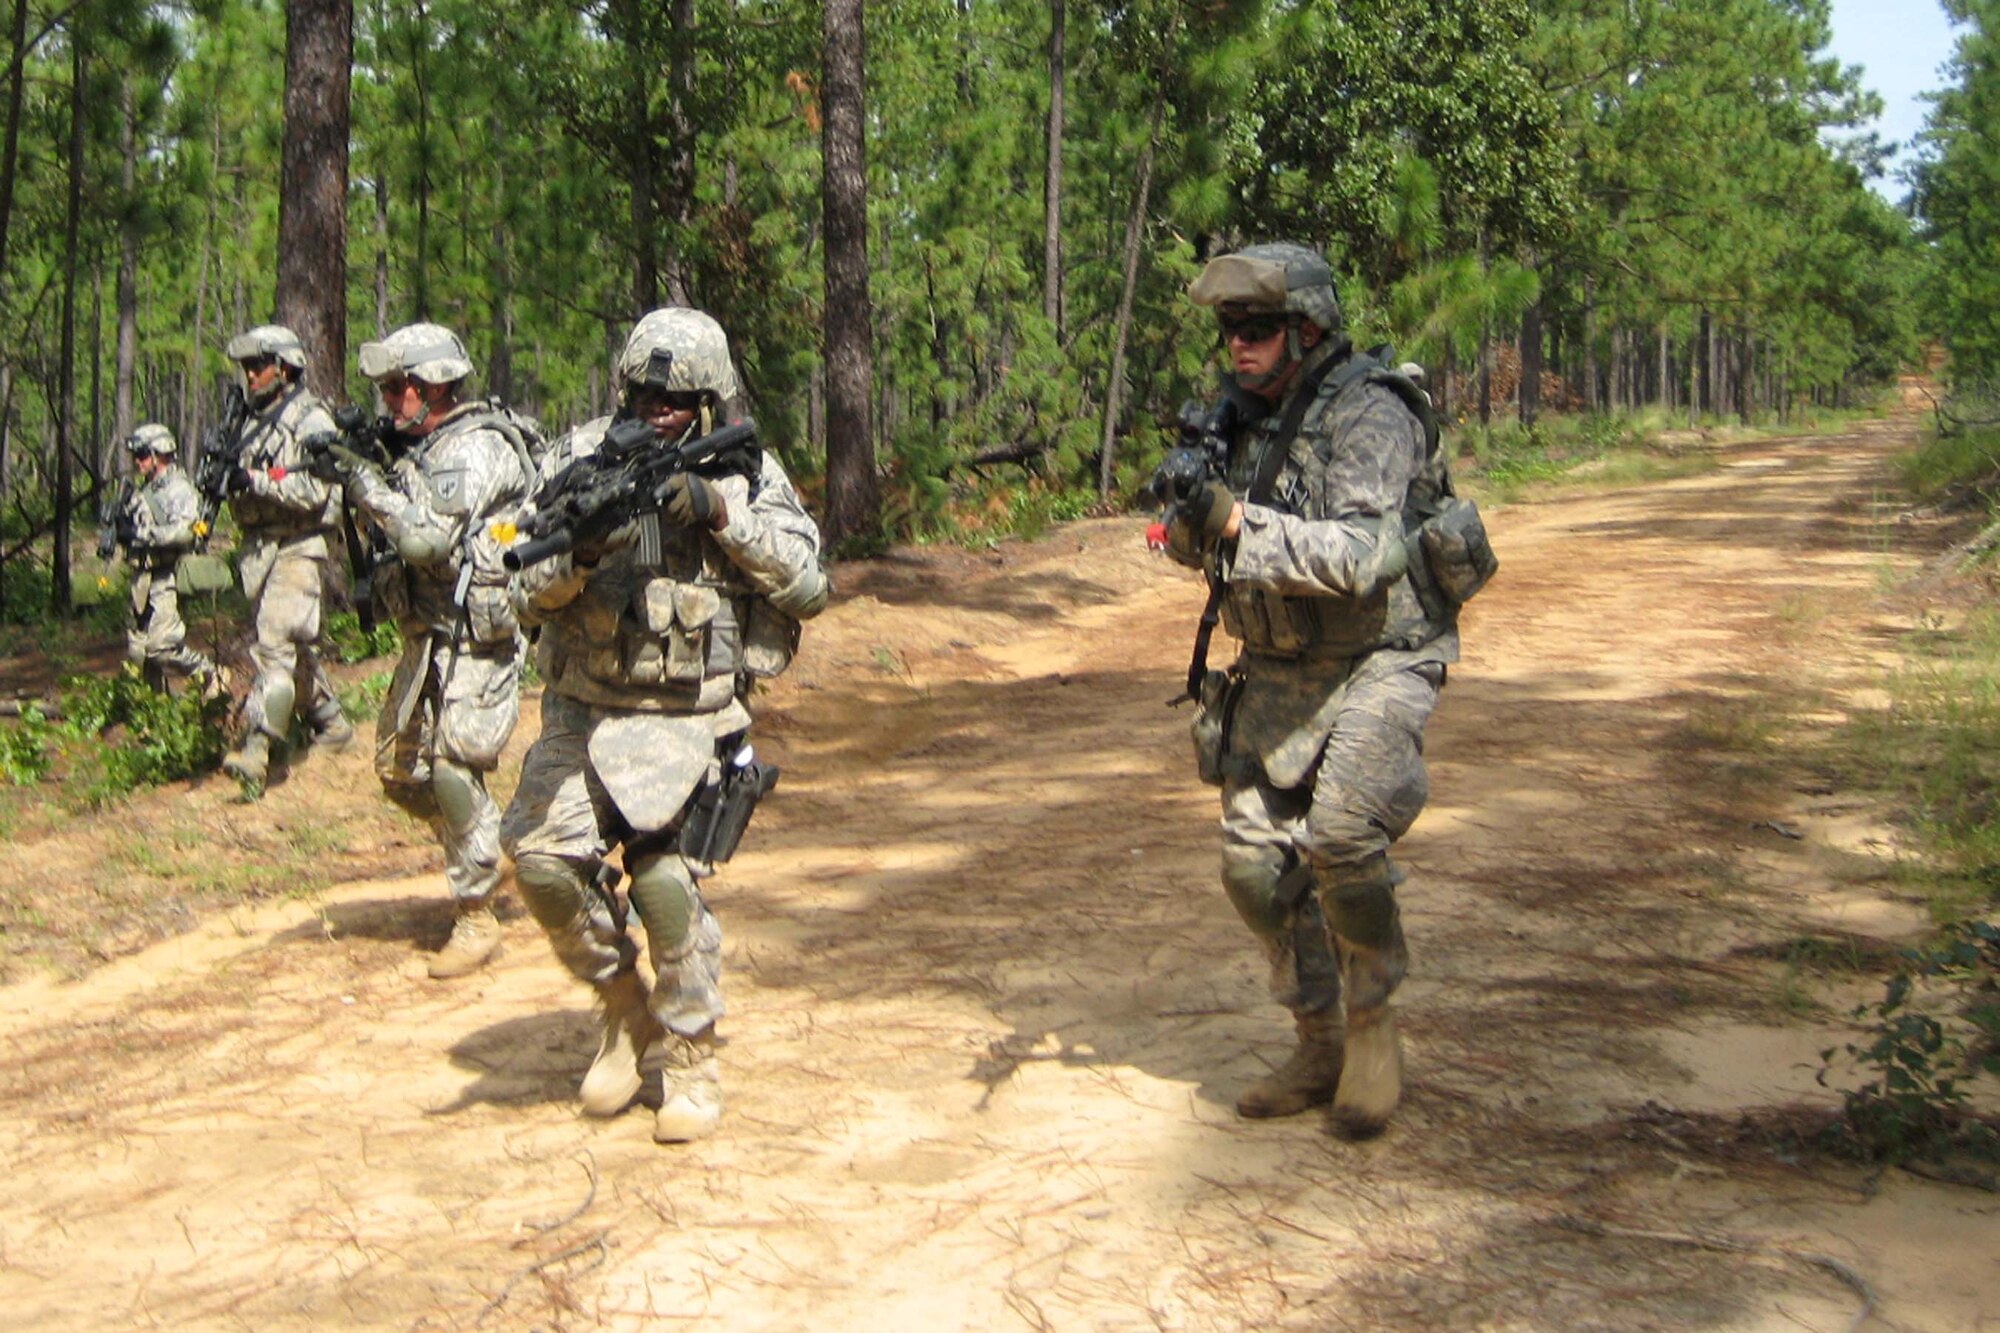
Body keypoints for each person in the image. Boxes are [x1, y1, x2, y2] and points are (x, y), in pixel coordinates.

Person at [501, 307, 827, 1143]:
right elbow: (510, 588)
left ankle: (691, 1054)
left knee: (664, 885)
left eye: (677, 399)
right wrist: (575, 557)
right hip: (585, 710)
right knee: (540, 866)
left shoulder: (744, 472)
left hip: (694, 715)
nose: (657, 409)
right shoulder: (574, 460)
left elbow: (808, 584)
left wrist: (717, 511)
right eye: (645, 392)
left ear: (710, 402)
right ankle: (624, 1007)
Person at [1162, 242, 1460, 1137]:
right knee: (1253, 869)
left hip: (1381, 656)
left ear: (1308, 328)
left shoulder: (1370, 411)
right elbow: (1197, 549)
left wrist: (1233, 519)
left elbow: (1364, 558)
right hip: (1282, 664)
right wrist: (1187, 518)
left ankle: (1372, 1023)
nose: (1238, 349)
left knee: (1338, 837)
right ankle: (1318, 1035)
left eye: (1256, 330)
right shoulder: (1239, 417)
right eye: (1229, 333)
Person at [313, 323, 533, 980]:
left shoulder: (476, 449)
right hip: (428, 631)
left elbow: (426, 541)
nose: (385, 400)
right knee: (400, 770)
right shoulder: (422, 444)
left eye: (392, 388)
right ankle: (490, 841)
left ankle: (475, 910)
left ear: (426, 386)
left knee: (452, 767)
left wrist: (362, 482)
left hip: (479, 636)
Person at [218, 324, 351, 797]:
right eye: (247, 368)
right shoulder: (250, 421)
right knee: (290, 651)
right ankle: (331, 723)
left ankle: (257, 748)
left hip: (300, 543)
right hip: (260, 548)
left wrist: (253, 480)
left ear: (286, 367)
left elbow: (315, 489)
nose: (250, 376)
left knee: (274, 643)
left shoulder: (311, 420)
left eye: (259, 366)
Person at [105, 424, 217, 693]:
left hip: (168, 574)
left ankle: (210, 673)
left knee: (162, 647)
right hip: (142, 578)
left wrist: (144, 534)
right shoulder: (145, 491)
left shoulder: (180, 489)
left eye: (143, 454)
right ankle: (154, 710)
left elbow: (188, 531)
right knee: (139, 654)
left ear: (160, 453)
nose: (137, 461)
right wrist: (122, 531)